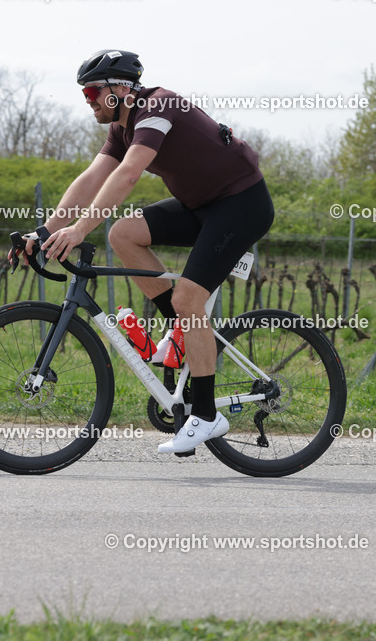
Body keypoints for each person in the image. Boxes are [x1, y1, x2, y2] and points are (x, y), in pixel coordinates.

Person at [34, 49, 274, 454]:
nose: (87, 100)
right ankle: (181, 331)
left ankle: (206, 415)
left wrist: (80, 230)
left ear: (120, 89)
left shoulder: (159, 106)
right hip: (202, 206)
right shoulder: (121, 129)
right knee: (124, 234)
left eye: (92, 92)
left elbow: (128, 174)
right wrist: (46, 230)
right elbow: (92, 178)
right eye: (84, 94)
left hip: (241, 204)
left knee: (188, 299)